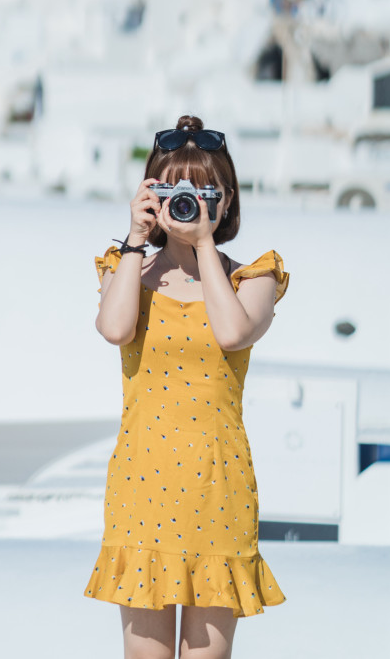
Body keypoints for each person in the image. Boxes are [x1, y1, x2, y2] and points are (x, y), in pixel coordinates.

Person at [84, 114, 290, 659]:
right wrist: (136, 239)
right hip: (142, 485)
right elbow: (115, 328)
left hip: (217, 491)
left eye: (205, 192)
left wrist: (203, 247)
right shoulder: (125, 270)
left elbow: (232, 332)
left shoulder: (255, 278)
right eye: (176, 191)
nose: (190, 203)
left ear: (227, 201)